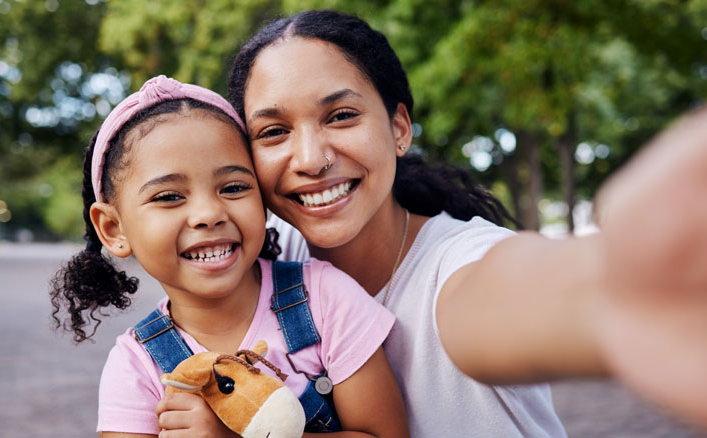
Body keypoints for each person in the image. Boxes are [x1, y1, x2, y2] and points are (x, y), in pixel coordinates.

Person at [222, 8, 707, 435]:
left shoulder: (457, 267)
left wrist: (623, 284)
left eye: (341, 115)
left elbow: (511, 294)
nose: (310, 158)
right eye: (273, 131)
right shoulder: (269, 258)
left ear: (398, 128)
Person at [49, 75, 409, 438]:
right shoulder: (136, 367)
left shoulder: (324, 299)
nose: (209, 214)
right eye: (169, 196)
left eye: (234, 187)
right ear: (113, 229)